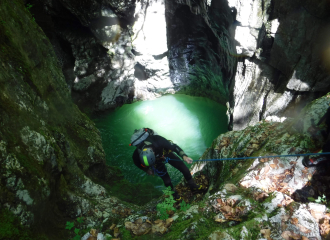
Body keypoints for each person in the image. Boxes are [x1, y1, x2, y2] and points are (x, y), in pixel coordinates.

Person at [130, 128, 203, 201]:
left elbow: (174, 147)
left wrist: (184, 156)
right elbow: (139, 165)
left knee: (184, 169)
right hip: (156, 163)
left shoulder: (157, 140)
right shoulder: (136, 156)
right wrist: (147, 170)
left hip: (164, 153)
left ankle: (193, 186)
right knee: (167, 181)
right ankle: (175, 195)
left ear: (153, 152)